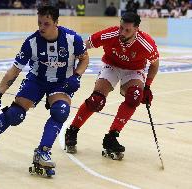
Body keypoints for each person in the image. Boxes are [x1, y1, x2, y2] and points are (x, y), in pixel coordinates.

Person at [0, 5, 89, 176]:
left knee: (61, 111)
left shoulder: (73, 39)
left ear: (56, 22)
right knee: (15, 115)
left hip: (61, 83)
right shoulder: (31, 42)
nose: (41, 27)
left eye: (46, 24)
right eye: (39, 23)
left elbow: (84, 59)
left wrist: (77, 76)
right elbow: (14, 70)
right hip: (37, 80)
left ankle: (43, 151)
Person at [65, 12, 159, 160]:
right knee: (96, 100)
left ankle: (111, 137)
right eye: (121, 27)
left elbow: (154, 64)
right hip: (111, 66)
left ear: (136, 29)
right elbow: (84, 45)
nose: (122, 32)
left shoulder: (146, 43)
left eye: (127, 30)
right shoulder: (111, 34)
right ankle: (72, 130)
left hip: (134, 70)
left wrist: (147, 87)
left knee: (135, 97)